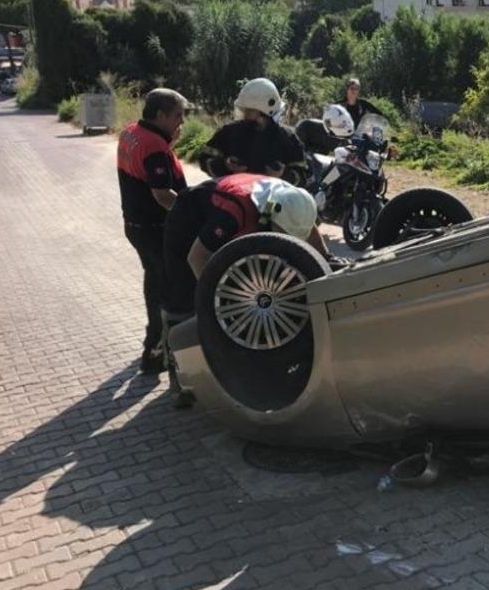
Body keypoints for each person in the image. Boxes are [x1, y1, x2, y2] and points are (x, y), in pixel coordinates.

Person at [161, 174, 330, 407]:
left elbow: (308, 232)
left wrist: (326, 262)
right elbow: (197, 258)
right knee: (183, 297)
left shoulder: (295, 203)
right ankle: (178, 375)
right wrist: (222, 301)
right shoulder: (236, 211)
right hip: (190, 222)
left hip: (231, 219)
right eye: (281, 231)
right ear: (269, 214)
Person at [117, 88, 189, 373]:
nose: (182, 121)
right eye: (177, 115)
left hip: (136, 225)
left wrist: (169, 142)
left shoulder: (131, 132)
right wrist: (191, 215)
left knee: (154, 280)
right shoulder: (154, 146)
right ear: (160, 115)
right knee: (168, 290)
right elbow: (162, 194)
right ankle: (156, 350)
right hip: (155, 228)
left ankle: (156, 345)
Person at [200, 78, 308, 186]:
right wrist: (225, 167)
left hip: (271, 196)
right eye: (244, 110)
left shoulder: (288, 139)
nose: (245, 114)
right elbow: (205, 159)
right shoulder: (229, 132)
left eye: (249, 111)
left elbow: (302, 176)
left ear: (265, 112)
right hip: (233, 193)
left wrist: (283, 175)